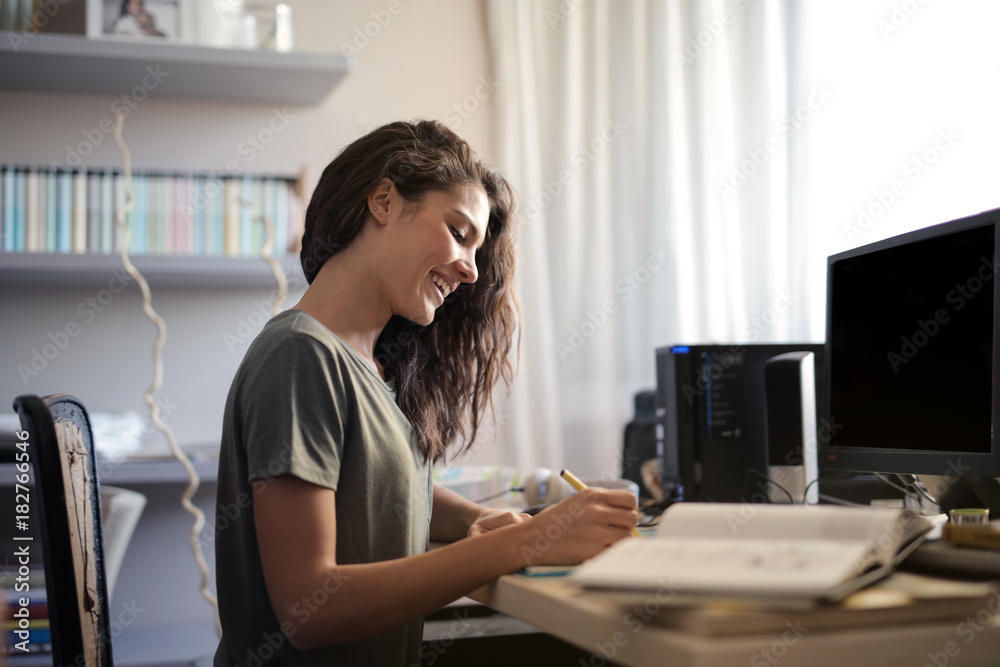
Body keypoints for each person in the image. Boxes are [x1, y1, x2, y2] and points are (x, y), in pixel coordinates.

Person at [213, 120, 639, 666]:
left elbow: (381, 486)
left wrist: (475, 522)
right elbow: (308, 610)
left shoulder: (365, 364)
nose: (469, 270)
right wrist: (517, 546)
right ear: (384, 201)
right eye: (460, 233)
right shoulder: (302, 357)